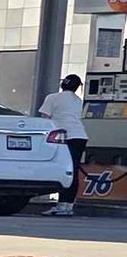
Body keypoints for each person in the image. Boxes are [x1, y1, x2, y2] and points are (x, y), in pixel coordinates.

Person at [43, 74, 89, 216]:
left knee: (64, 170)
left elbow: (45, 118)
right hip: (80, 136)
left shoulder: (52, 98)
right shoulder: (78, 101)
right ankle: (68, 205)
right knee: (73, 171)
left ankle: (61, 206)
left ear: (63, 84)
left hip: (63, 137)